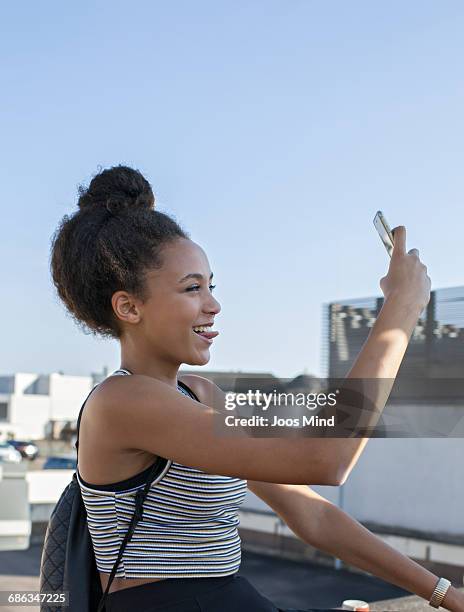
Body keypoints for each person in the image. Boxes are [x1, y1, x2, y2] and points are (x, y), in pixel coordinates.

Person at [49, 165, 463, 611]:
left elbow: (312, 514)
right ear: (128, 306)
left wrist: (442, 593)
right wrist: (400, 308)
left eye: (211, 286)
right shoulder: (121, 402)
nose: (213, 304)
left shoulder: (200, 395)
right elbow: (326, 459)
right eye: (192, 288)